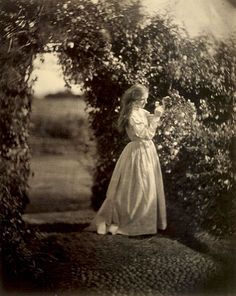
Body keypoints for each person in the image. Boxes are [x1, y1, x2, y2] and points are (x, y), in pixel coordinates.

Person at [91, 84, 167, 236]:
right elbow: (146, 134)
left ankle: (145, 220)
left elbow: (152, 119)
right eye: (143, 100)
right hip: (137, 152)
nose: (146, 102)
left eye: (146, 99)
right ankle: (129, 220)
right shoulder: (131, 115)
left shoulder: (142, 112)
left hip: (147, 151)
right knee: (137, 187)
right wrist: (156, 117)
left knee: (147, 186)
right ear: (135, 99)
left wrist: (161, 108)